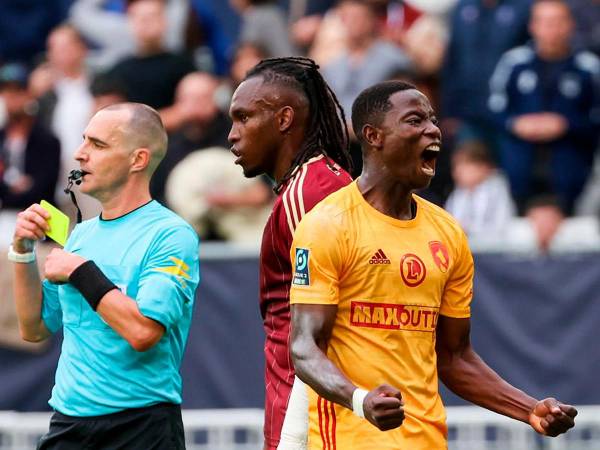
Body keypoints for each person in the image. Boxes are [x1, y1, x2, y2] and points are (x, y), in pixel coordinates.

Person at [287, 80, 577, 448]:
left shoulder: (447, 232)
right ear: (373, 136)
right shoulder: (329, 223)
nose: (432, 129)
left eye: (433, 120)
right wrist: (360, 400)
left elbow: (454, 357)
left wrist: (529, 408)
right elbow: (304, 347)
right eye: (415, 120)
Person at [10, 102, 200, 449]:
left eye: (98, 145)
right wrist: (21, 251)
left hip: (141, 427)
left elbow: (143, 331)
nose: (80, 155)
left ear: (138, 160)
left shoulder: (172, 234)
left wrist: (81, 271)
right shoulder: (79, 235)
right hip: (68, 424)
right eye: (84, 141)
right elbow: (34, 329)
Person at [228, 56, 353, 449]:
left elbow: (327, 327)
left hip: (310, 420)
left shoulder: (309, 192)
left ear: (283, 119)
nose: (232, 134)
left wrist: (294, 435)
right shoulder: (311, 183)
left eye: (243, 118)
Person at [489, 0, 600, 214]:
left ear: (570, 25)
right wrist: (516, 123)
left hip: (573, 176)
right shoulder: (513, 63)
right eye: (545, 21)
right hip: (519, 172)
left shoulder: (588, 67)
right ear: (533, 26)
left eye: (558, 21)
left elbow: (596, 117)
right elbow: (494, 110)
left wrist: (566, 125)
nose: (551, 28)